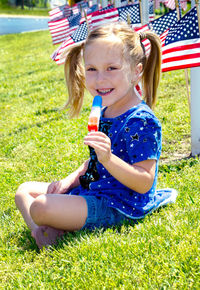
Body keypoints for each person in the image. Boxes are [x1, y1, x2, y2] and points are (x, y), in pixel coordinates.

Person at [15, 22, 177, 249]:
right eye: (92, 69)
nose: (100, 79)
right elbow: (93, 160)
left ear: (136, 71)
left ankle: (50, 227)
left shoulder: (141, 121)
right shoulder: (104, 110)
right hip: (94, 188)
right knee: (24, 191)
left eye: (111, 68)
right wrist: (68, 181)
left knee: (40, 206)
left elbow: (143, 182)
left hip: (120, 203)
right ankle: (43, 233)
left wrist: (108, 159)